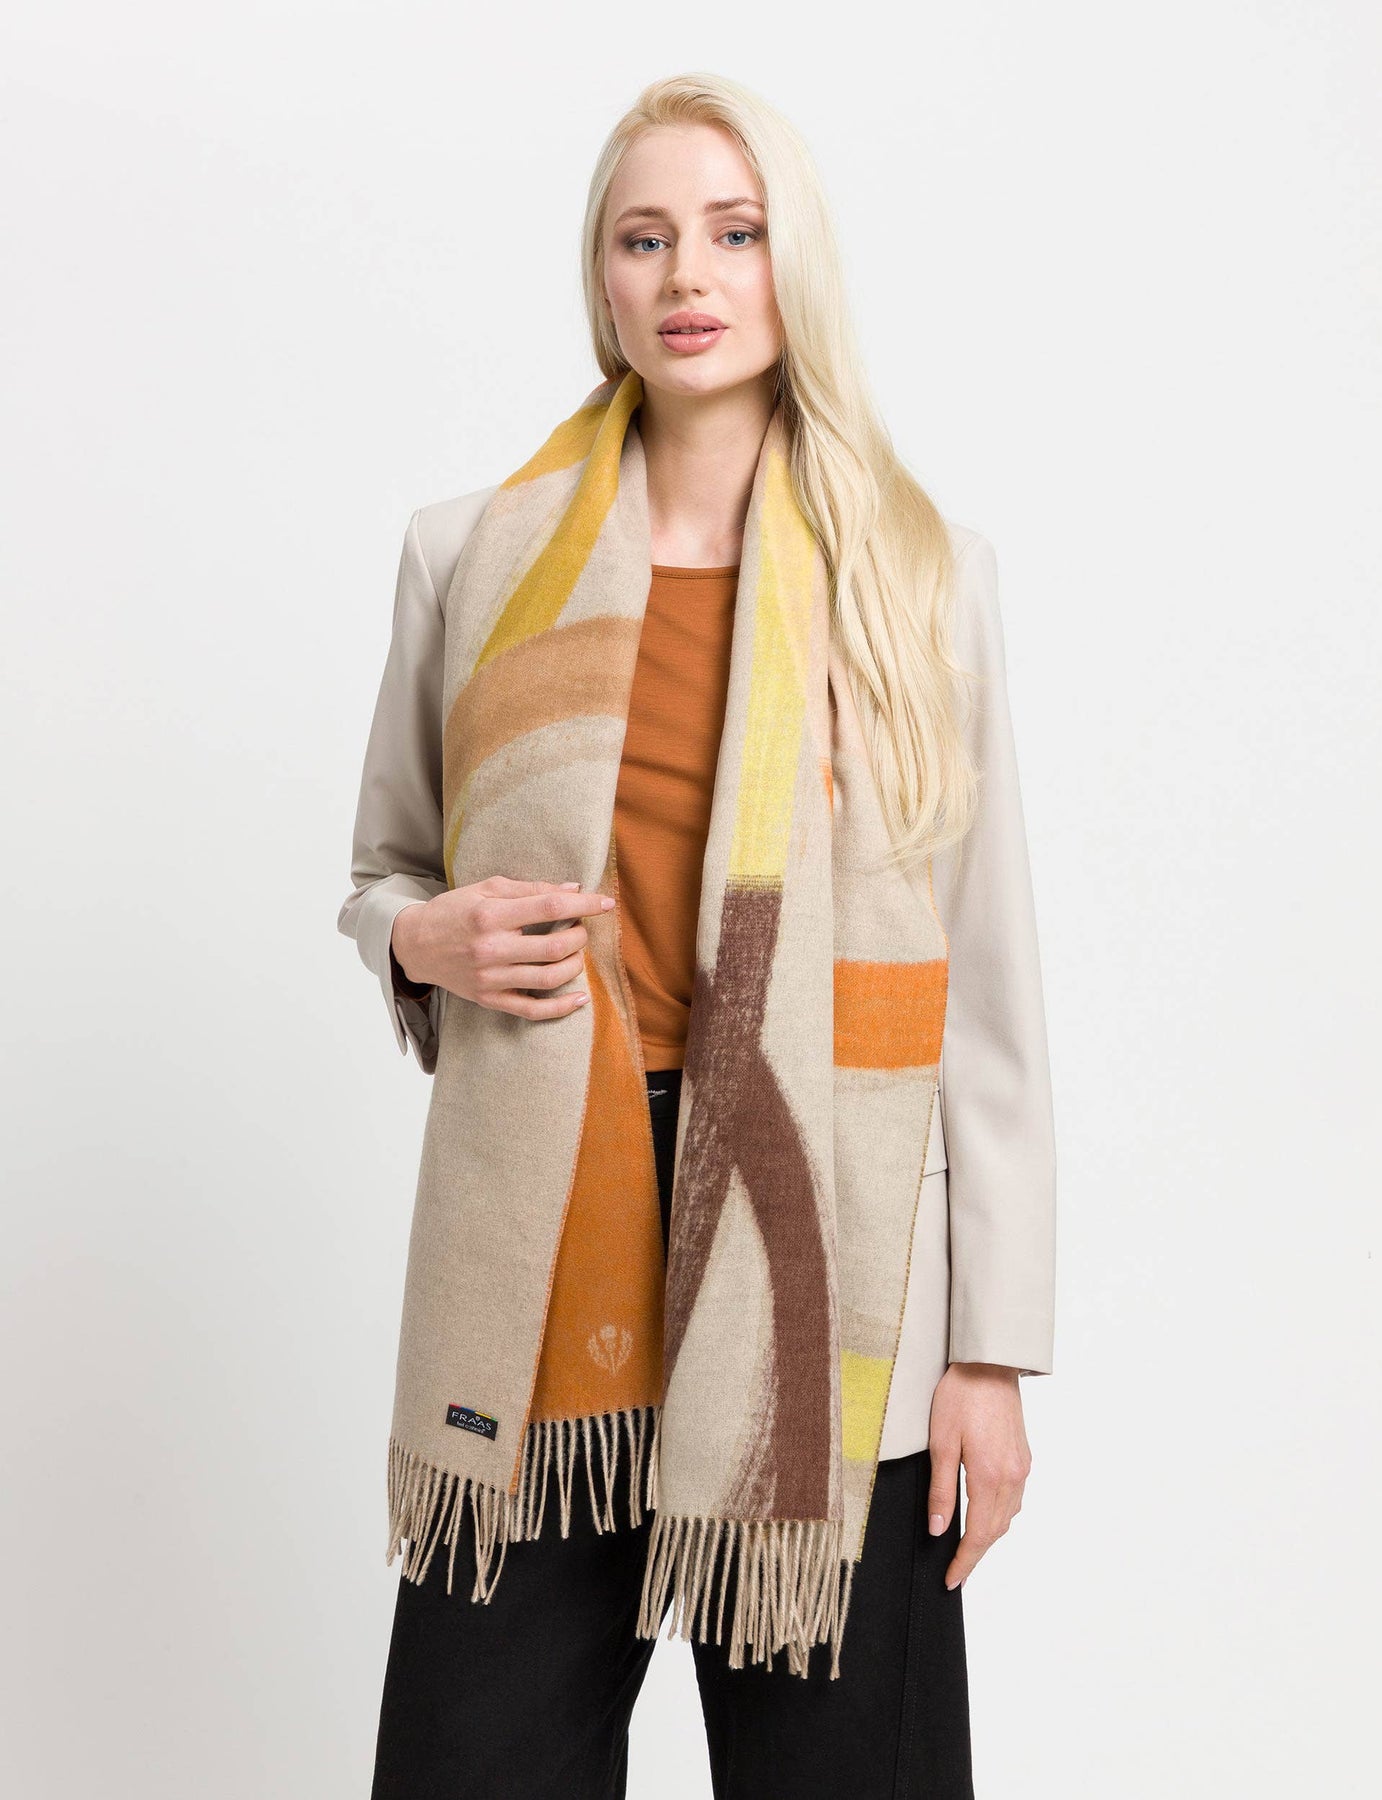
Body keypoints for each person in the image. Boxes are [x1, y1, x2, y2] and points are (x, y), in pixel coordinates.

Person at [338, 71, 1056, 1800]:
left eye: (733, 234)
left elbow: (987, 991)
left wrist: (990, 1353)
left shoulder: (918, 578)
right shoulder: (470, 557)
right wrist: (423, 941)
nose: (688, 276)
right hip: (544, 1238)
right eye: (643, 237)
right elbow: (383, 873)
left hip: (833, 1261)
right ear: (599, 278)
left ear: (791, 263)